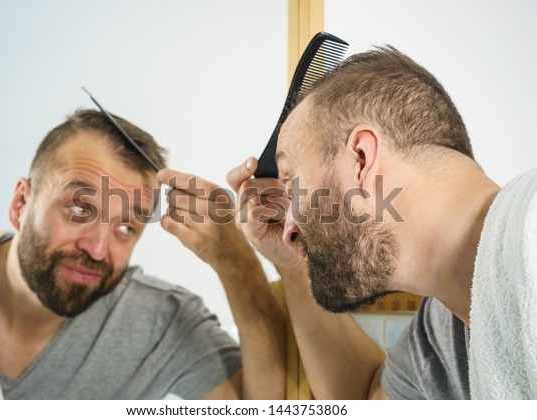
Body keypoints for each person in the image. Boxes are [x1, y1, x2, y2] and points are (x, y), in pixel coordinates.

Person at [227, 46, 536, 399]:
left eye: (290, 178)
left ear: (361, 158)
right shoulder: (439, 337)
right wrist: (293, 263)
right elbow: (364, 401)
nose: (290, 223)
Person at [0, 109, 284, 399]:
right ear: (20, 204)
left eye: (125, 227)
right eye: (80, 209)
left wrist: (236, 262)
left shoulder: (158, 325)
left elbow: (261, 407)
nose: (98, 249)